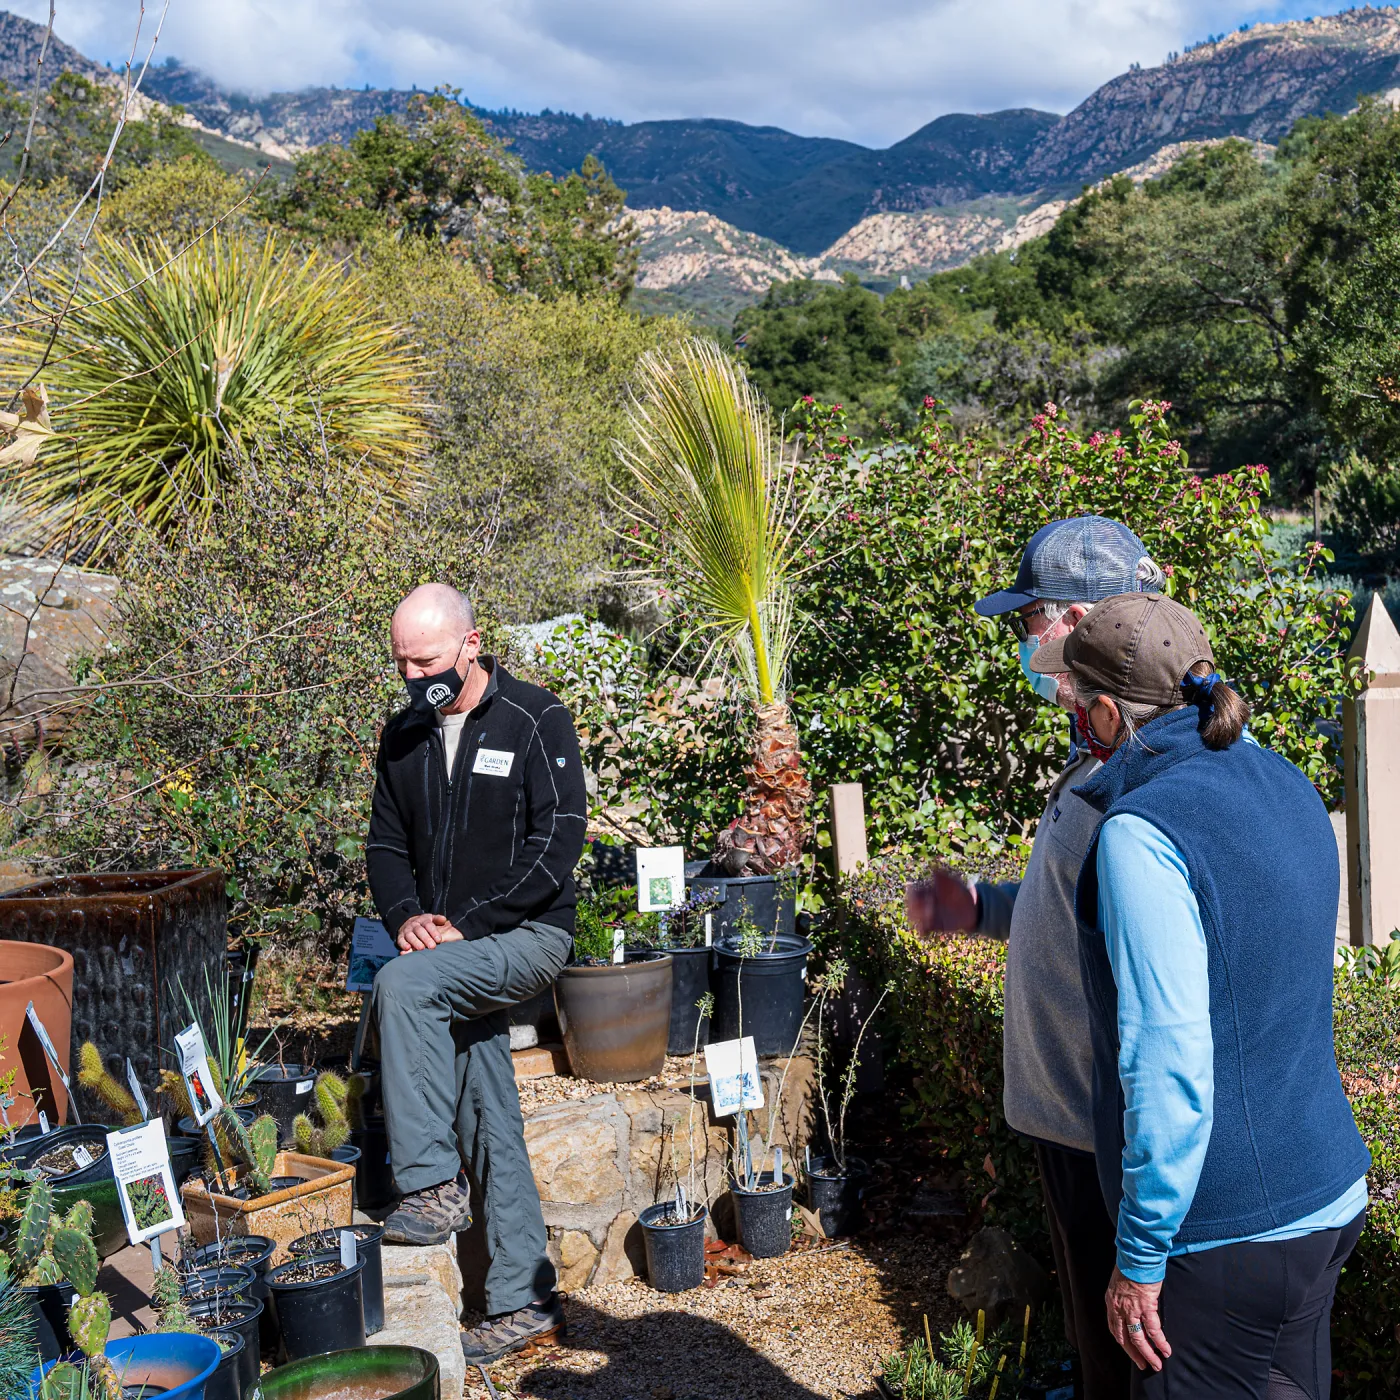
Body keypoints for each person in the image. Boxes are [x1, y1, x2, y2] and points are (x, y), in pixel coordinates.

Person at [1028, 591, 1370, 1397]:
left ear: (1108, 715)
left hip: (1222, 1241)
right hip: (1327, 1194)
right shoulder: (1286, 783)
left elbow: (1170, 1063)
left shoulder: (1143, 833)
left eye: (1077, 703)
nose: (1073, 718)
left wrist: (1139, 1256)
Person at [906, 515, 1164, 1400]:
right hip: (1065, 1118)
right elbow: (1072, 908)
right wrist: (978, 907)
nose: (1023, 645)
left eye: (1030, 624)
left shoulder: (1145, 763)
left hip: (1111, 1124)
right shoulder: (1091, 747)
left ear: (1079, 622)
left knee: (1129, 1355)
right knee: (1096, 1340)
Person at [366, 583, 588, 1364]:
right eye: (400, 662)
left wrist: (469, 923)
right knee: (488, 1104)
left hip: (525, 935)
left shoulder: (533, 718)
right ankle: (522, 1299)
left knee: (401, 987)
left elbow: (558, 841)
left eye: (424, 659)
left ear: (471, 644)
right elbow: (385, 848)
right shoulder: (404, 735)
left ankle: (429, 1184)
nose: (412, 675)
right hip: (444, 948)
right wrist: (405, 919)